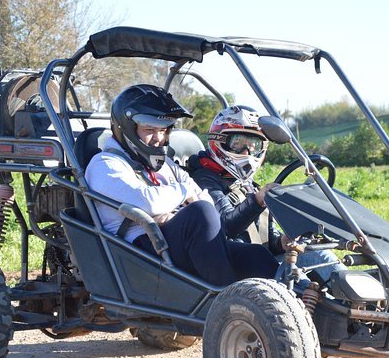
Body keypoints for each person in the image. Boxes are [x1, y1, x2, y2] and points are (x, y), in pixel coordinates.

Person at [84, 85, 278, 286]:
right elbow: (148, 202)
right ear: (126, 128)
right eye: (149, 130)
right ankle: (227, 302)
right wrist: (184, 193)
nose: (158, 138)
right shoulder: (105, 164)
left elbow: (205, 198)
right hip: (139, 251)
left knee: (256, 256)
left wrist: (171, 213)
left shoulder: (164, 163)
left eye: (163, 130)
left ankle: (294, 304)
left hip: (169, 243)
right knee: (199, 213)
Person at [187, 105, 344, 285]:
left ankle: (361, 300)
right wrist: (258, 200)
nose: (247, 153)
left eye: (254, 146)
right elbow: (225, 226)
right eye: (238, 144)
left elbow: (263, 234)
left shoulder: (244, 183)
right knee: (301, 283)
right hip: (236, 266)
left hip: (261, 259)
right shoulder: (204, 178)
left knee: (317, 253)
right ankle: (317, 307)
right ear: (220, 141)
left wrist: (280, 242)